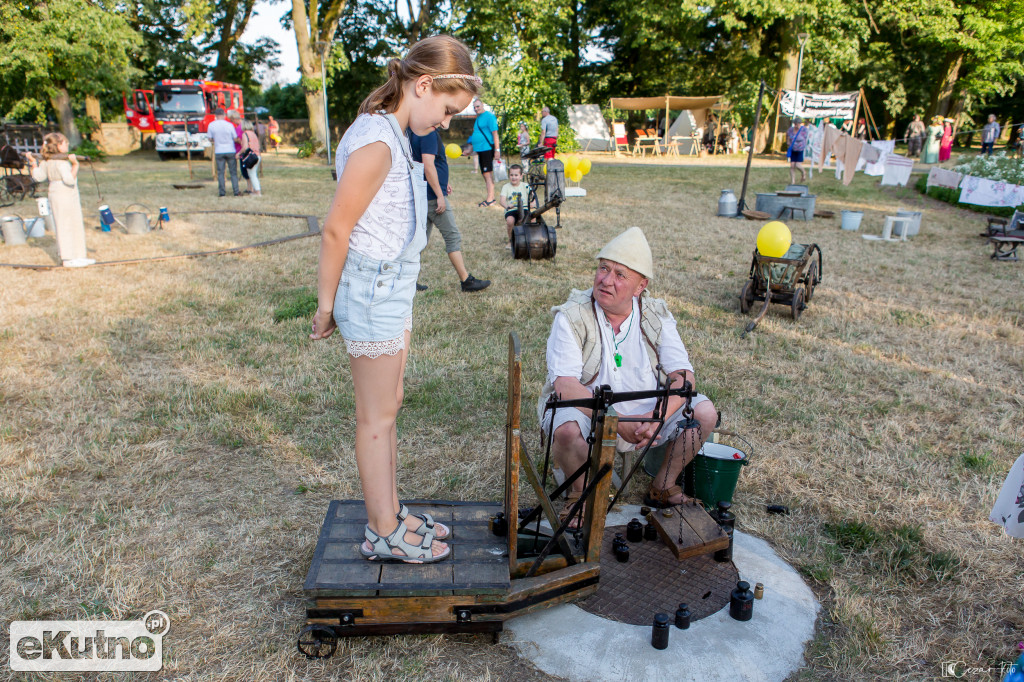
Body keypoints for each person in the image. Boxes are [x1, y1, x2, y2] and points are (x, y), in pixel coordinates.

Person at [309, 34, 480, 564]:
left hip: (395, 283)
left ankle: (392, 509)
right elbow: (336, 229)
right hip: (373, 288)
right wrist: (325, 305)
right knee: (375, 418)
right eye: (447, 109)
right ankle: (383, 531)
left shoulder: (392, 131)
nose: (447, 122)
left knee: (390, 405)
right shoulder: (379, 141)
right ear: (423, 85)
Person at [539, 227, 717, 527]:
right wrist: (618, 422)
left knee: (704, 412)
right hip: (588, 412)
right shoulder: (571, 315)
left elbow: (683, 376)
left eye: (620, 275)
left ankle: (663, 486)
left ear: (640, 286)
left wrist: (654, 416)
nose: (606, 280)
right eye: (603, 268)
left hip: (648, 414)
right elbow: (566, 387)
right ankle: (578, 495)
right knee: (567, 430)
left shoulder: (654, 313)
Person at [408, 128, 490, 292]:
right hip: (432, 197)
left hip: (423, 194)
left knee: (419, 241)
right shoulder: (428, 133)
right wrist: (439, 194)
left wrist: (443, 183)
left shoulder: (413, 131)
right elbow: (428, 166)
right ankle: (466, 281)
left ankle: (408, 280)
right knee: (452, 236)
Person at [26, 133, 93, 267]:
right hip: (62, 192)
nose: (67, 145)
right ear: (57, 146)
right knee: (64, 224)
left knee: (75, 222)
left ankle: (79, 255)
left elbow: (38, 176)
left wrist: (34, 163)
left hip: (66, 193)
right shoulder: (60, 163)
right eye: (65, 143)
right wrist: (75, 165)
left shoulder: (47, 161)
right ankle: (67, 258)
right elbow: (69, 179)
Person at [466, 98, 500, 206]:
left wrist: (497, 150)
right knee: (485, 174)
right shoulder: (478, 118)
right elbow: (476, 134)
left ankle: (490, 199)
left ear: (482, 105)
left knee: (487, 174)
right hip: (480, 149)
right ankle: (491, 197)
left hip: (486, 149)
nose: (476, 109)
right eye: (474, 107)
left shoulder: (489, 116)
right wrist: (470, 149)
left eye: (478, 106)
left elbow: (495, 134)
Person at [206, 108, 240, 196]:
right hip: (230, 150)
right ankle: (236, 191)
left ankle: (222, 192)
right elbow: (235, 137)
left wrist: (215, 140)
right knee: (233, 172)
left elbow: (209, 138)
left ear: (216, 116)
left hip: (219, 150)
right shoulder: (229, 125)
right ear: (224, 115)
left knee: (220, 172)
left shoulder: (211, 125)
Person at [499, 164, 530, 242]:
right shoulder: (506, 187)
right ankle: (511, 240)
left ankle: (529, 239)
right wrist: (507, 206)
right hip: (511, 210)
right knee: (510, 221)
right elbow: (502, 201)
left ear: (521, 176)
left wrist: (533, 203)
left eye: (516, 175)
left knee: (532, 219)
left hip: (524, 208)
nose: (513, 177)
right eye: (511, 175)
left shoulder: (525, 186)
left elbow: (533, 197)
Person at [237, 120, 262, 196]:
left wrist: (238, 153)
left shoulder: (245, 134)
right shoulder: (253, 134)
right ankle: (255, 190)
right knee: (254, 174)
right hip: (257, 155)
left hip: (251, 156)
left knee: (252, 174)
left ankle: (257, 192)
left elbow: (244, 147)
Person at [786, 117, 809, 184]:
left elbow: (808, 136)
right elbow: (787, 135)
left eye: (797, 124)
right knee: (792, 165)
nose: (796, 125)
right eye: (795, 124)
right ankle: (793, 181)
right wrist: (788, 142)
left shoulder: (803, 130)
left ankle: (803, 172)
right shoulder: (790, 130)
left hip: (800, 149)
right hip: (793, 149)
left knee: (798, 165)